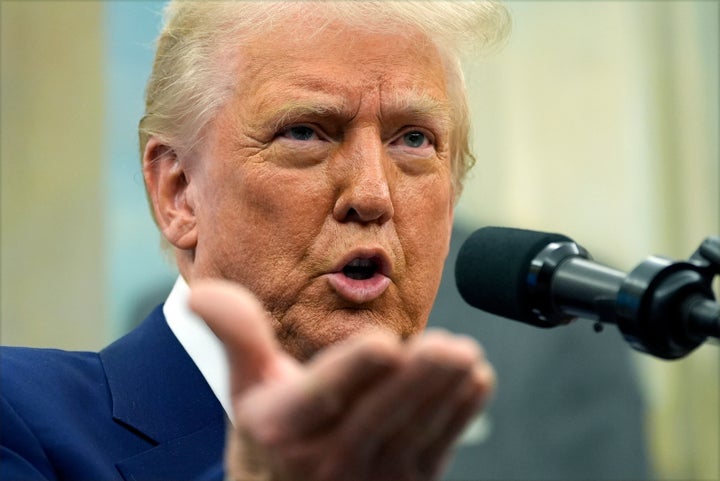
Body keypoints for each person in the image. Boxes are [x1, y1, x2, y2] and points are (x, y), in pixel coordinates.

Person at [0, 2, 512, 480]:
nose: (373, 195)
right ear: (179, 193)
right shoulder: (19, 415)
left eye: (414, 139)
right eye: (306, 132)